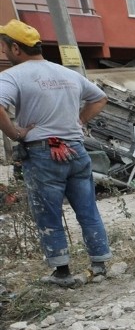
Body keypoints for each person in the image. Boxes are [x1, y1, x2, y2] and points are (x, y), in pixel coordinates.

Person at [0, 19, 112, 288]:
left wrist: (15, 133)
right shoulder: (68, 74)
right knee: (87, 209)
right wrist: (79, 121)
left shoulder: (12, 76)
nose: (3, 52)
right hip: (76, 150)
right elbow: (100, 98)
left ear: (15, 48)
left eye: (3, 46)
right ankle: (99, 264)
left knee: (48, 212)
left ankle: (62, 272)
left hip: (43, 153)